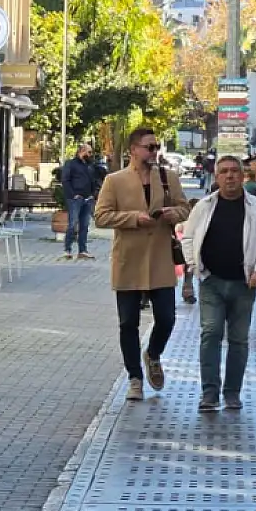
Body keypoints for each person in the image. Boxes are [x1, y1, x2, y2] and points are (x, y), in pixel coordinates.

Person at [96, 127, 189, 402]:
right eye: (150, 146)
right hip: (129, 259)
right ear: (133, 149)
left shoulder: (167, 176)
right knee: (128, 323)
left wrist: (175, 213)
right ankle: (134, 378)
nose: (154, 151)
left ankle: (153, 354)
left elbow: (185, 208)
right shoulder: (115, 180)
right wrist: (134, 218)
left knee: (167, 318)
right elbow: (101, 217)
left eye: (156, 146)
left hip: (160, 258)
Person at [183, 157, 256, 413]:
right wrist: (195, 266)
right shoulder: (204, 206)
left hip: (244, 284)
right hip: (212, 281)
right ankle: (209, 392)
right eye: (224, 172)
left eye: (235, 171)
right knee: (210, 333)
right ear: (216, 177)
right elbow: (188, 237)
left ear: (243, 176)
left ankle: (232, 393)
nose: (230, 176)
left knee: (238, 339)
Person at [59, 142, 101, 260]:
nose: (90, 154)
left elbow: (94, 180)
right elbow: (65, 180)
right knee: (73, 224)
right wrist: (73, 195)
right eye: (89, 152)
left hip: (88, 199)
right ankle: (67, 249)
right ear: (81, 151)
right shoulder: (71, 164)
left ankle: (82, 250)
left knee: (85, 225)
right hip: (75, 199)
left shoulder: (89, 165)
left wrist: (93, 194)